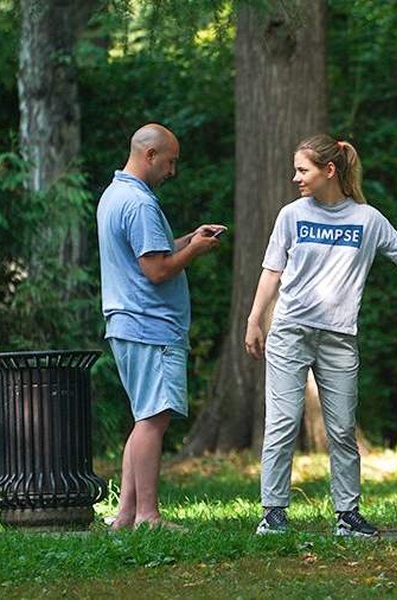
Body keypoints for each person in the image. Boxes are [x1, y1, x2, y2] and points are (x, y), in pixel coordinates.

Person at [244, 134, 397, 537]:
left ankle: (347, 514)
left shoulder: (366, 220)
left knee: (341, 428)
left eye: (303, 170)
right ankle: (273, 513)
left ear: (329, 171)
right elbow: (272, 270)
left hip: (338, 338)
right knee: (282, 423)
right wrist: (254, 319)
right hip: (290, 332)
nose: (295, 178)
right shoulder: (291, 215)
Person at [97, 123, 226, 530]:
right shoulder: (140, 203)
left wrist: (189, 238)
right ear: (150, 155)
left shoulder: (114, 195)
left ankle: (126, 516)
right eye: (170, 162)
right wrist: (196, 250)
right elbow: (157, 270)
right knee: (155, 418)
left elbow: (152, 250)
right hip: (149, 325)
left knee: (144, 418)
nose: (172, 171)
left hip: (127, 322)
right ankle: (149, 516)